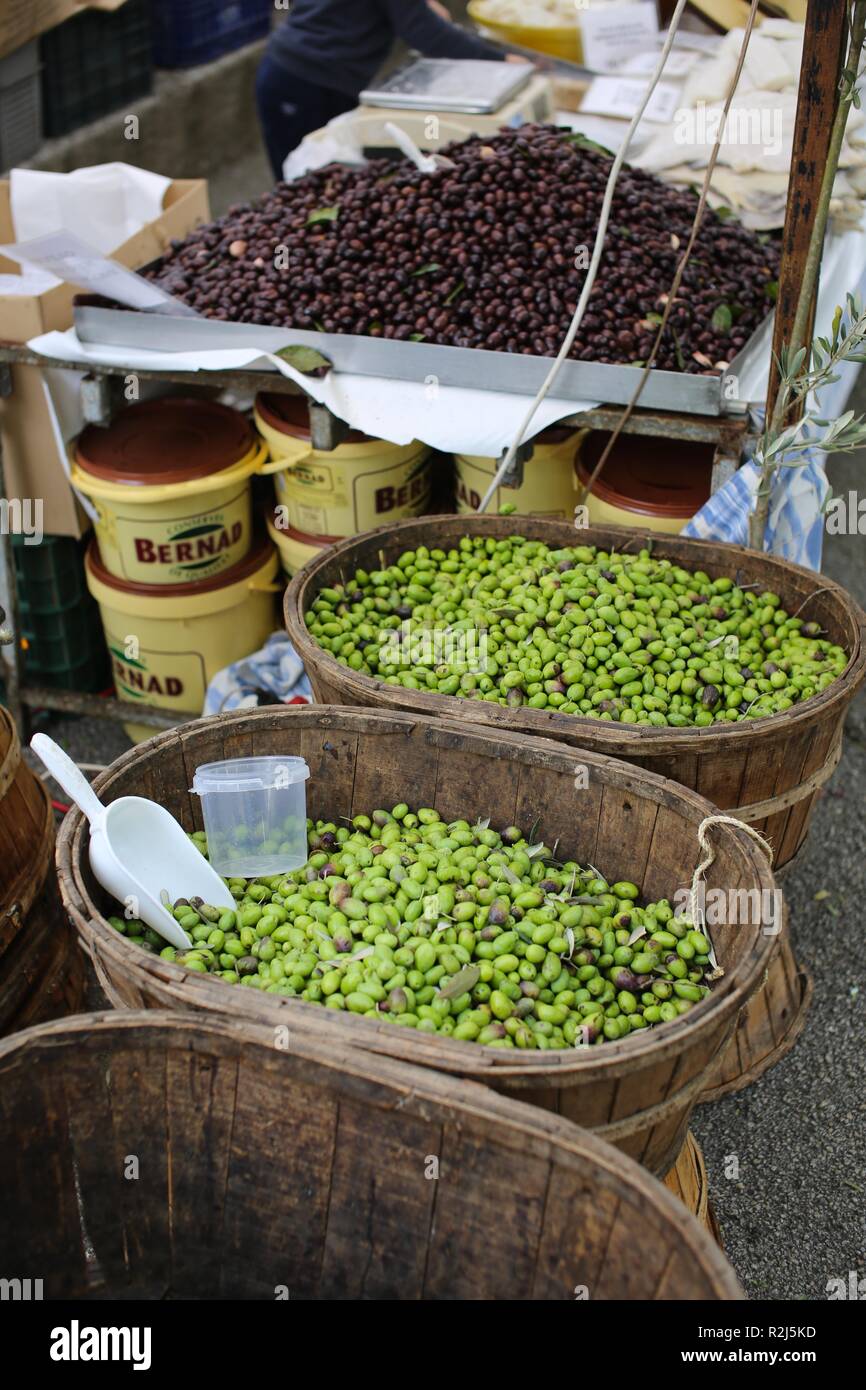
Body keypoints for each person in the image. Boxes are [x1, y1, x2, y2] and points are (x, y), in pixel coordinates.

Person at [257, 0, 520, 180]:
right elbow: (425, 32)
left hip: (321, 79)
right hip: (299, 83)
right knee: (303, 189)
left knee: (331, 181)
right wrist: (501, 61)